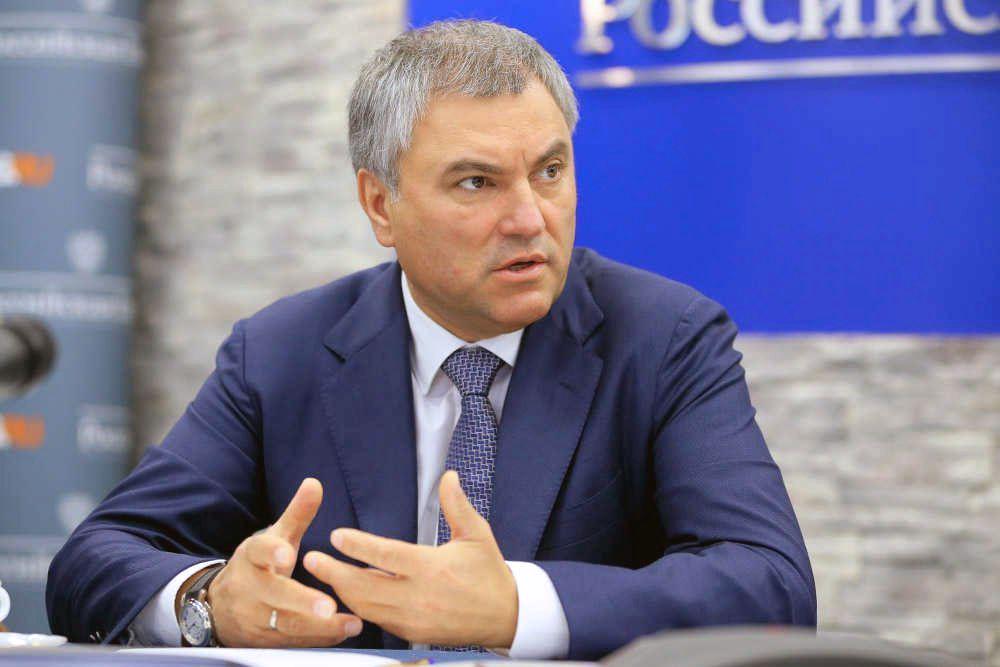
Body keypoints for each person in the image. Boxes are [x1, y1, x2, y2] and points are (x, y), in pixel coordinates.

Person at [46, 19, 816, 660]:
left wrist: (516, 605)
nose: (530, 218)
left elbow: (771, 582)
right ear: (380, 205)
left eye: (550, 170)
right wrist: (210, 601)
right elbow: (95, 558)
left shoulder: (664, 338)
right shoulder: (282, 352)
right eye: (477, 182)